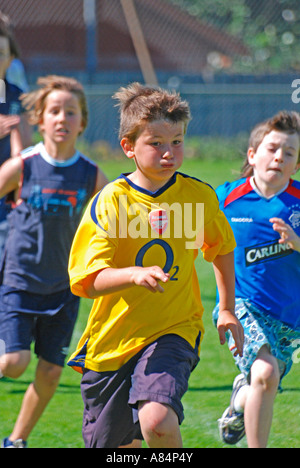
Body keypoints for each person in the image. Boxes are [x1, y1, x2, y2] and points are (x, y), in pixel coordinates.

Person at [67, 82, 244, 448]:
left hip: (175, 329)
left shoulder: (199, 196)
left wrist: (225, 308)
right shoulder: (111, 202)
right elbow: (87, 280)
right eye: (156, 143)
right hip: (112, 343)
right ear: (128, 147)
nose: (169, 152)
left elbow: (222, 247)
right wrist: (134, 274)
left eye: (176, 141)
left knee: (158, 419)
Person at [0, 75, 108, 448]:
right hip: (18, 279)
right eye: (54, 111)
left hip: (64, 288)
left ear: (83, 121)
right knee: (12, 363)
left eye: (71, 112)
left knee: (49, 372)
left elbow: (115, 224)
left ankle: (16, 441)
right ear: (41, 120)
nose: (62, 118)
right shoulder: (23, 166)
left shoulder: (92, 175)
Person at [214, 111, 300, 448]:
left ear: (296, 166)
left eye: (289, 153)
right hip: (240, 306)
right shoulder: (225, 198)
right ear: (252, 155)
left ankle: (238, 403)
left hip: (289, 319)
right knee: (265, 374)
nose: (279, 157)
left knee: (261, 384)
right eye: (272, 148)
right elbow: (186, 234)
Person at [0, 14, 29, 257]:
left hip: (6, 191)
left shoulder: (15, 95)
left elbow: (25, 145)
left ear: (10, 60)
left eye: (1, 54)